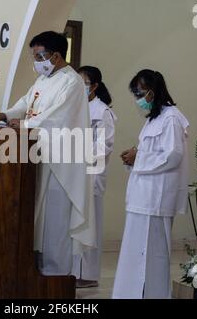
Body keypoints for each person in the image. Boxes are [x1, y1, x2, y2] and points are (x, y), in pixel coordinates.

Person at [0, 31, 96, 276]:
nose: (36, 62)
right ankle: (38, 275)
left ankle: (56, 279)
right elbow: (27, 103)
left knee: (55, 222)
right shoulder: (44, 80)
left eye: (39, 56)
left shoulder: (72, 82)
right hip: (39, 156)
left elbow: (59, 117)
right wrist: (6, 115)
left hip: (61, 163)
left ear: (55, 56)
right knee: (40, 220)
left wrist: (25, 125)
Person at [112, 69, 189, 299]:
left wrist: (140, 158)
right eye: (134, 92)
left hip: (156, 199)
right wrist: (134, 155)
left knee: (153, 255)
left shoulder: (172, 118)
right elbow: (153, 152)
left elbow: (173, 155)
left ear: (153, 92)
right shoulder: (154, 118)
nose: (137, 98)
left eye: (139, 92)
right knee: (134, 254)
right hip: (141, 197)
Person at [72, 66, 116, 288]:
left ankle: (87, 275)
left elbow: (104, 146)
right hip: (74, 173)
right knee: (75, 225)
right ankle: (72, 272)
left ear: (95, 86)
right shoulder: (76, 107)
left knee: (89, 226)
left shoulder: (102, 111)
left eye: (84, 82)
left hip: (91, 175)